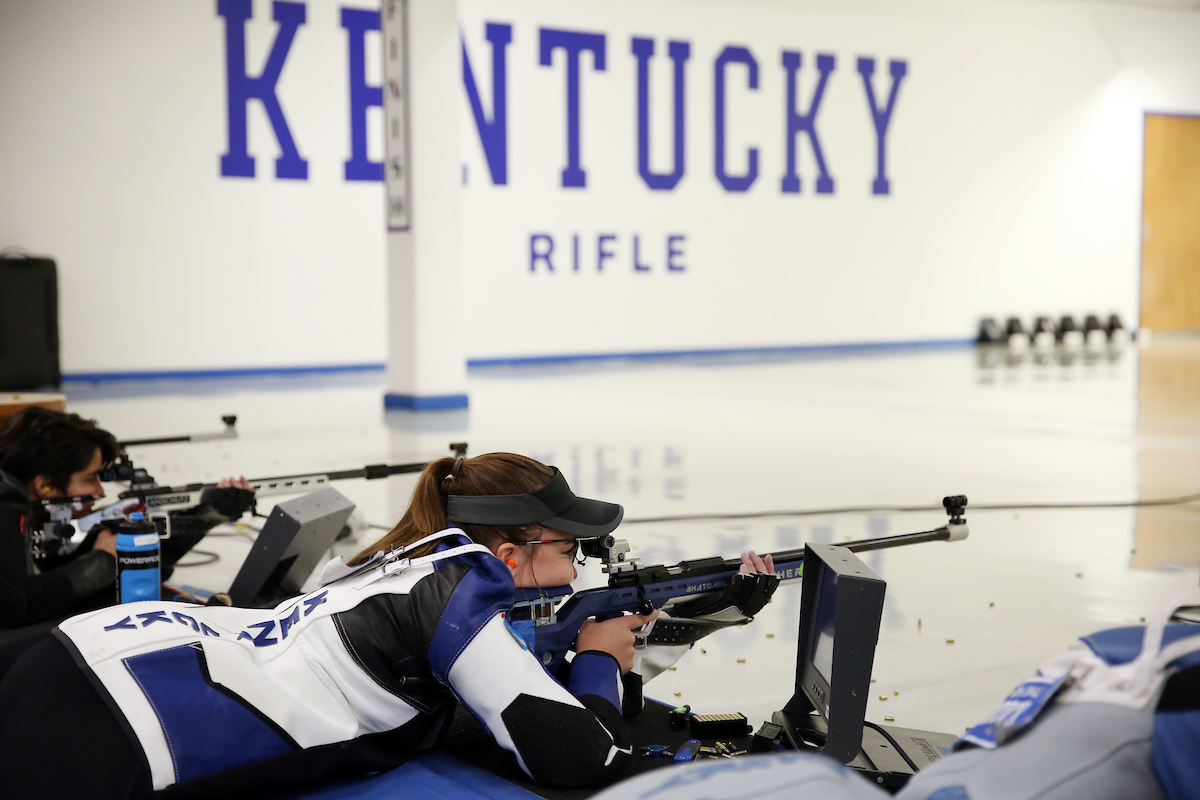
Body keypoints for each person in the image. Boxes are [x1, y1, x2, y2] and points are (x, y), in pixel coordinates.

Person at [0, 452, 777, 799]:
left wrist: (712, 612)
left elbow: (502, 688)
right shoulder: (464, 593)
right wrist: (604, 659)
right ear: (507, 553)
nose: (577, 572)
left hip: (95, 655)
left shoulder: (399, 559)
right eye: (569, 550)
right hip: (116, 727)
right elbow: (575, 759)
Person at [0, 407, 253, 632]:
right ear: (44, 486)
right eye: (90, 478)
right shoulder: (6, 506)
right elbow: (16, 605)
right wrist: (103, 561)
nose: (99, 492)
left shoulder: (24, 506)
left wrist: (207, 515)